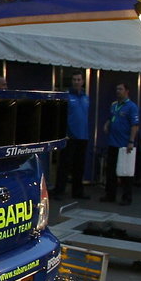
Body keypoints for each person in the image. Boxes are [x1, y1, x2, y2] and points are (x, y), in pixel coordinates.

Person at [102, 82, 140, 205]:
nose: (118, 91)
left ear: (126, 91)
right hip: (113, 142)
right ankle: (110, 195)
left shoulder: (132, 107)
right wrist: (107, 124)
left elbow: (135, 125)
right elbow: (111, 117)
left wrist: (131, 141)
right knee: (111, 171)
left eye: (120, 89)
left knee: (125, 172)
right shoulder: (114, 105)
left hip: (124, 144)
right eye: (117, 89)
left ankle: (126, 197)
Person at [54, 72, 90, 200]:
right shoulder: (67, 97)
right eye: (74, 79)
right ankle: (59, 191)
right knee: (64, 165)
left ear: (82, 81)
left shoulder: (86, 98)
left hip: (83, 136)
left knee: (79, 165)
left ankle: (78, 191)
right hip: (70, 136)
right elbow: (61, 116)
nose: (76, 81)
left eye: (78, 79)